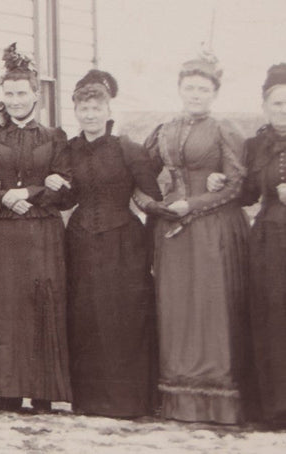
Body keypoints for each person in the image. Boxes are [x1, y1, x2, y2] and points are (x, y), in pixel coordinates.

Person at [134, 50, 249, 424]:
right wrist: (152, 205)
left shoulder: (224, 130)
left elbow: (235, 185)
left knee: (210, 309)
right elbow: (140, 177)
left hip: (212, 229)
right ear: (180, 89)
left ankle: (218, 403)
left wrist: (193, 203)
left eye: (203, 89)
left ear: (213, 93)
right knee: (176, 309)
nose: (196, 94)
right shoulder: (163, 130)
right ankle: (176, 402)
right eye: (190, 87)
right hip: (172, 231)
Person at [0, 43, 71, 413]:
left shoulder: (55, 137)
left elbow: (67, 185)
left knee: (39, 305)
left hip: (40, 232)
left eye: (22, 93)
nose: (16, 100)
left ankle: (41, 392)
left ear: (36, 95)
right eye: (9, 94)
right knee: (2, 308)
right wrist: (4, 196)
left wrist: (33, 191)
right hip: (0, 232)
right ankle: (5, 391)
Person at [59, 69, 161, 419]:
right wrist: (56, 185)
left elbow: (152, 194)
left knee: (124, 318)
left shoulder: (127, 149)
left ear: (108, 110)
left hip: (123, 242)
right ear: (76, 112)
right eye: (83, 109)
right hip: (82, 240)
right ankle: (89, 400)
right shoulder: (68, 150)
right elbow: (66, 197)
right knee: (86, 318)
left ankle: (128, 401)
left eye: (95, 108)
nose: (89, 115)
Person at [245, 63, 286, 426]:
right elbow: (245, 194)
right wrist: (215, 181)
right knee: (271, 319)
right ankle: (274, 407)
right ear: (265, 106)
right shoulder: (256, 144)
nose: (284, 111)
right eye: (277, 104)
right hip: (269, 242)